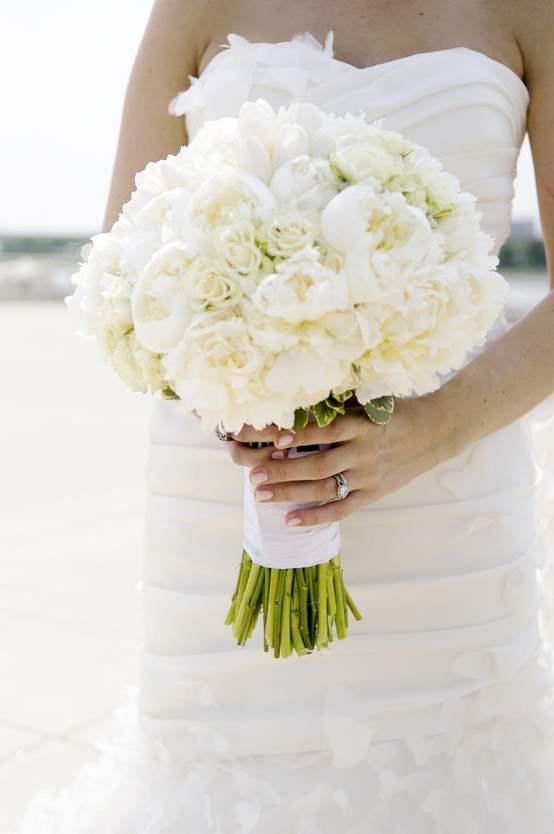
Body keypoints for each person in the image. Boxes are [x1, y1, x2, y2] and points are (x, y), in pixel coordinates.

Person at [14, 0, 554, 831]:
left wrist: (428, 432)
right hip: (225, 483)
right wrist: (237, 377)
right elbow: (122, 263)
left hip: (449, 504)